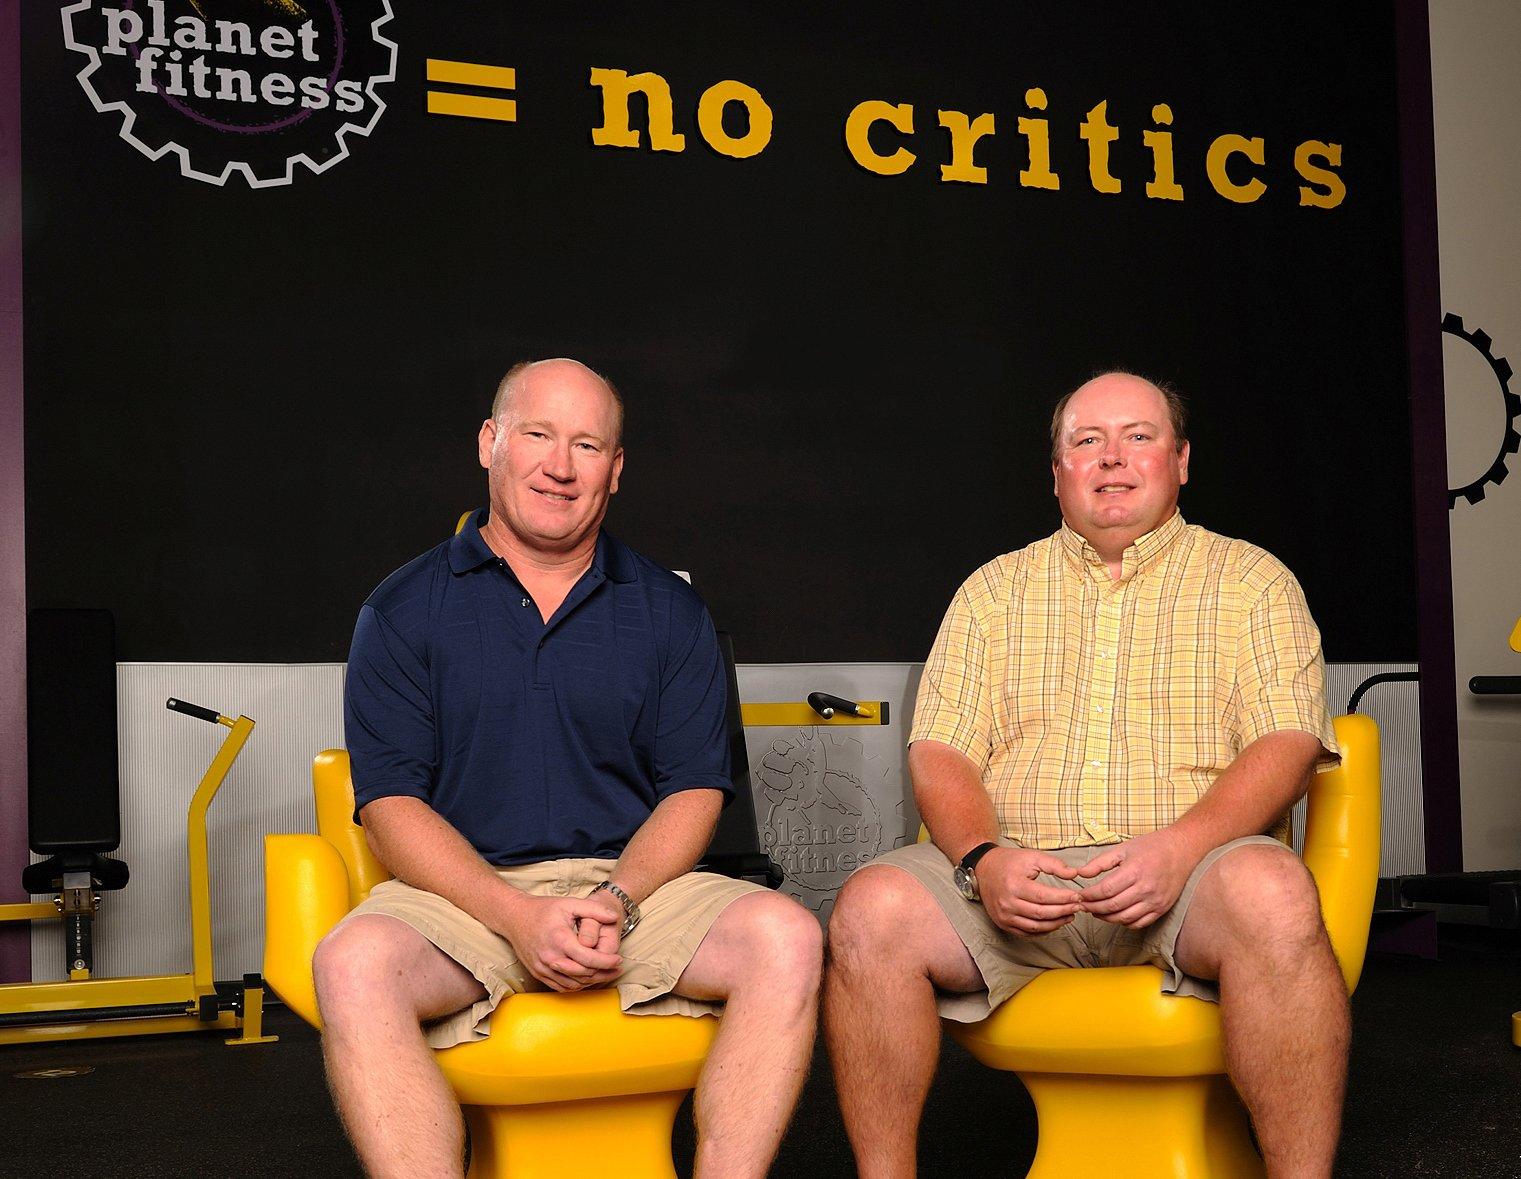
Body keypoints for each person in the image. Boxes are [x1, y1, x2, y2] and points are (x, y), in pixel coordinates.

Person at [825, 371, 1348, 1179]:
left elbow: (1285, 741)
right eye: (1086, 441)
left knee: (1272, 891)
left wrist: (1178, 850)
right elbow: (940, 751)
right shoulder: (990, 592)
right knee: (870, 907)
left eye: (1137, 436)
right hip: (1018, 882)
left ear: (1180, 461)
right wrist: (982, 859)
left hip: (1192, 879)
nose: (1111, 457)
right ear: (1056, 471)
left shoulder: (1252, 582)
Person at [313, 358, 822, 1179]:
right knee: (351, 962)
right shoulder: (401, 609)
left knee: (787, 935)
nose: (560, 465)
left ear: (614, 469)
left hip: (634, 890)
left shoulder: (670, 611)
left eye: (586, 444)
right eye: (537, 434)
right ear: (490, 442)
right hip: (465, 894)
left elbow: (694, 790)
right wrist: (515, 914)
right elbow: (391, 805)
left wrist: (616, 898)